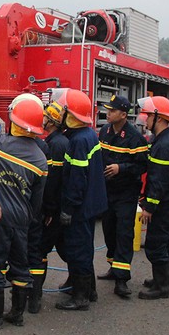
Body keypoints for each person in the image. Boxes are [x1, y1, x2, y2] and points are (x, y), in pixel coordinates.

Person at [0, 94, 47, 328]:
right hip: (22, 220)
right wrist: (26, 217)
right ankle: (17, 312)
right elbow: (37, 200)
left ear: (13, 119)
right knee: (19, 265)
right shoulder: (41, 159)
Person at [53, 89, 108, 311]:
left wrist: (67, 208)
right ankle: (88, 289)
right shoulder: (86, 135)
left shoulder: (78, 142)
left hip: (80, 207)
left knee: (78, 250)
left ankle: (81, 296)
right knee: (83, 248)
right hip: (90, 204)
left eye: (64, 111)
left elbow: (76, 181)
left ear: (72, 115)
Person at [96, 95, 148, 298]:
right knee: (109, 231)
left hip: (126, 194)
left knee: (124, 234)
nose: (107, 113)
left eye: (112, 110)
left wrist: (121, 168)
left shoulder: (135, 138)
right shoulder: (104, 131)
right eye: (107, 109)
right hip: (107, 191)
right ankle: (113, 267)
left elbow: (142, 165)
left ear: (123, 114)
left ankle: (122, 279)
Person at [136, 96, 169, 300]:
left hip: (163, 202)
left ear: (159, 118)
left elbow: (158, 181)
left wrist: (149, 207)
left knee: (156, 243)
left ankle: (161, 286)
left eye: (148, 115)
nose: (144, 120)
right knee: (165, 242)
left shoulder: (163, 145)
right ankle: (164, 280)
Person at [27, 97, 71, 313]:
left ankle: (33, 298)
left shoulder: (53, 145)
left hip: (52, 209)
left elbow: (52, 181)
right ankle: (85, 288)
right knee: (66, 249)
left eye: (45, 116)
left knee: (39, 250)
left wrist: (49, 210)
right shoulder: (59, 142)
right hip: (59, 207)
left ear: (51, 121)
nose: (42, 119)